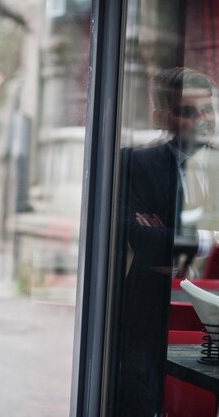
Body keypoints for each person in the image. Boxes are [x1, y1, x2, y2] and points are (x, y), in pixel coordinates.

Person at [116, 67, 219, 416]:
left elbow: (160, 239)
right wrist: (211, 239)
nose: (204, 119)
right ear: (164, 117)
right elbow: (140, 237)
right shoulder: (136, 163)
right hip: (150, 310)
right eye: (189, 111)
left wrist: (174, 239)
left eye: (208, 109)